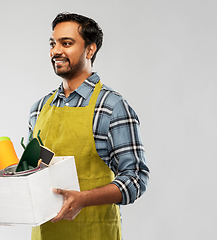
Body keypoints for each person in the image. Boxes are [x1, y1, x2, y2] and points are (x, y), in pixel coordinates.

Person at [28, 12, 150, 240]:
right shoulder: (39, 109)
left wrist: (84, 199)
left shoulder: (112, 106)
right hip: (44, 234)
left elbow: (135, 178)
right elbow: (31, 173)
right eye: (53, 43)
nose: (56, 51)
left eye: (66, 43)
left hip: (94, 232)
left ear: (90, 50)